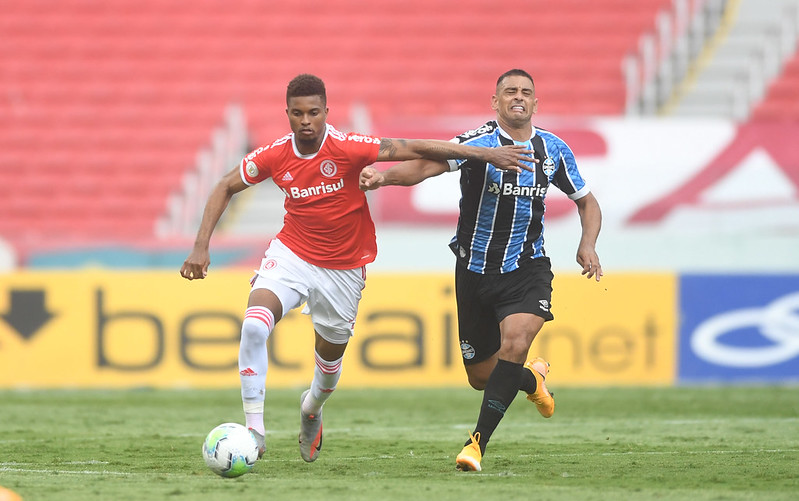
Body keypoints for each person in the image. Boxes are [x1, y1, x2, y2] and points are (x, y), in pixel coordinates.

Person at [180, 73, 534, 463]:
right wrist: (201, 246)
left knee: (328, 372)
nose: (306, 121)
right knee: (253, 324)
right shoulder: (274, 154)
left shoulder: (348, 146)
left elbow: (414, 148)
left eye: (313, 112)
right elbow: (224, 185)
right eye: (297, 113)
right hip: (292, 254)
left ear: (326, 112)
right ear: (287, 114)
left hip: (344, 270)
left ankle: (311, 409)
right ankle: (254, 431)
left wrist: (486, 154)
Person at [359, 68, 603, 471]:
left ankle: (476, 444)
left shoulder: (554, 150)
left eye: (526, 92)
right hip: (473, 270)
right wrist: (383, 178)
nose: (518, 97)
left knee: (517, 341)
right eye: (510, 92)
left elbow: (587, 201)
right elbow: (424, 166)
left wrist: (587, 243)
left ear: (536, 103)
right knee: (481, 376)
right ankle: (532, 381)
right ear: (495, 102)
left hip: (527, 267)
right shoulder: (478, 144)